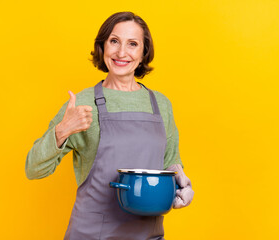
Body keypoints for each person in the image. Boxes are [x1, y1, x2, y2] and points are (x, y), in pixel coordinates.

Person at [25, 11, 194, 240]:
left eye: (132, 44)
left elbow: (169, 162)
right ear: (102, 46)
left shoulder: (161, 105)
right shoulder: (83, 104)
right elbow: (33, 169)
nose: (121, 52)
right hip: (92, 234)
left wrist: (181, 183)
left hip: (148, 234)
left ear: (144, 53)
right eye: (114, 41)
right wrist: (63, 129)